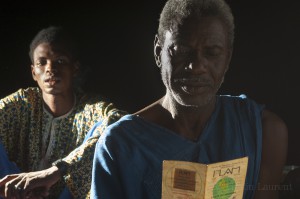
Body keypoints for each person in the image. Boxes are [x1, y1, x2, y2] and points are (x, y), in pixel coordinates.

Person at [91, 0, 288, 198]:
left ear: (227, 59)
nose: (196, 66)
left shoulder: (262, 131)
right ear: (159, 52)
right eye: (182, 51)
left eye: (212, 53)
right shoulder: (119, 147)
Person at [0, 26, 125, 198]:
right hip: (15, 194)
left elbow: (119, 122)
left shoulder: (89, 108)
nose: (50, 69)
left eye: (60, 61)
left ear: (75, 68)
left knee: (110, 134)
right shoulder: (23, 103)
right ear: (33, 72)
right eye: (42, 62)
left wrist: (57, 170)